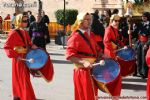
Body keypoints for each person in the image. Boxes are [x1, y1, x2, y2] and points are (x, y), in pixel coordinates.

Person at [4, 14, 54, 100]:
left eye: (27, 21)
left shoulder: (24, 32)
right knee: (23, 79)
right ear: (18, 21)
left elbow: (28, 43)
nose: (26, 22)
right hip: (19, 59)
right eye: (24, 21)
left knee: (24, 78)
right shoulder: (13, 33)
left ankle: (19, 96)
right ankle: (26, 97)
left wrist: (34, 46)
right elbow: (6, 47)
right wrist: (16, 56)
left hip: (26, 57)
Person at [65, 12, 102, 100]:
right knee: (85, 96)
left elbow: (97, 50)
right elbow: (70, 55)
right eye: (87, 20)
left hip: (93, 70)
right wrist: (83, 62)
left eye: (90, 19)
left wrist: (102, 55)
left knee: (93, 95)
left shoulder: (91, 35)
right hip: (82, 71)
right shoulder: (75, 37)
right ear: (80, 22)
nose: (90, 22)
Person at [103, 14, 124, 96]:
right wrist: (112, 51)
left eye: (118, 21)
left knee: (112, 69)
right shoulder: (108, 29)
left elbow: (117, 40)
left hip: (114, 51)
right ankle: (108, 85)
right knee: (109, 69)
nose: (117, 23)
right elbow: (106, 42)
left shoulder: (115, 29)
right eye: (115, 21)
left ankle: (112, 85)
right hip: (109, 52)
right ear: (111, 21)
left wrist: (122, 45)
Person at [133, 12, 150, 79]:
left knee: (143, 58)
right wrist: (131, 31)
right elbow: (136, 32)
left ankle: (144, 73)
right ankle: (139, 71)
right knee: (138, 57)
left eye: (145, 16)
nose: (143, 18)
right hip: (139, 42)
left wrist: (147, 44)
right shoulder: (140, 24)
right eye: (142, 16)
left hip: (145, 42)